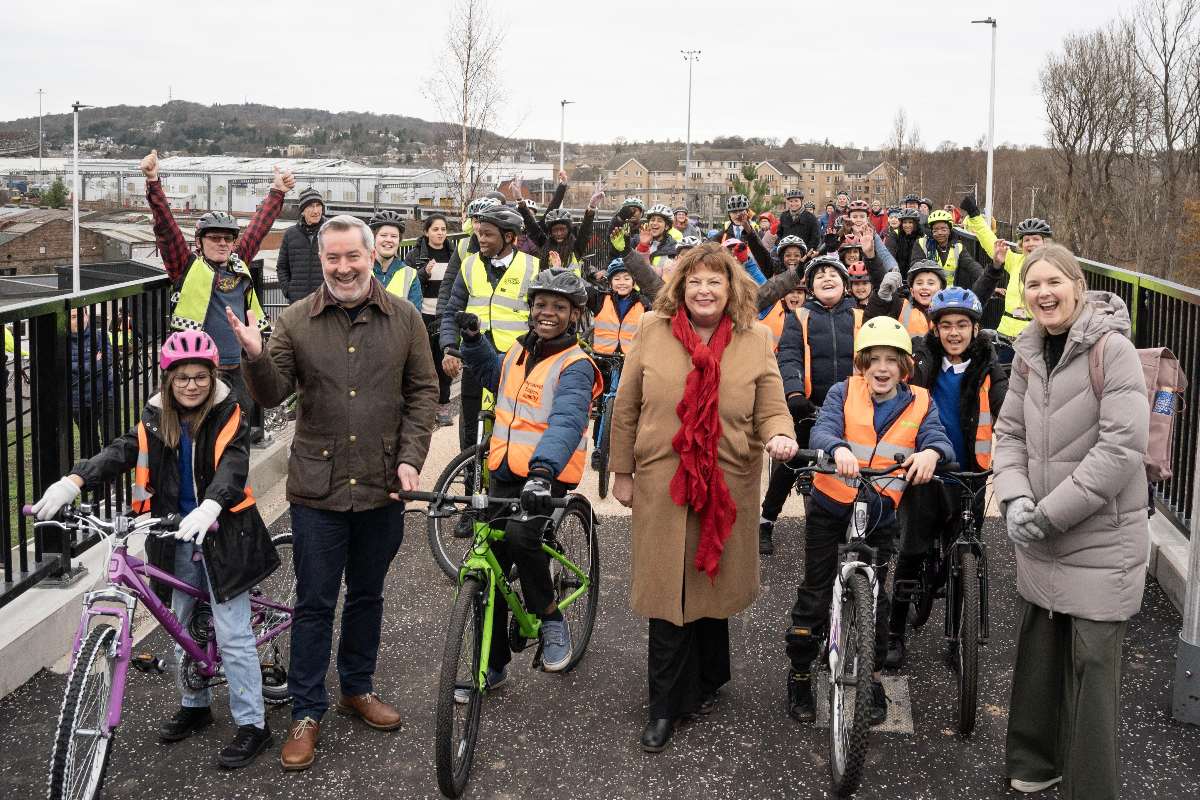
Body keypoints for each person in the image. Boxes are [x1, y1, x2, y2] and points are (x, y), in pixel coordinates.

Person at [230, 214, 438, 771]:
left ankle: (357, 687)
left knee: (368, 595)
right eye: (332, 258)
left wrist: (411, 459)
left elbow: (423, 393)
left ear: (373, 257)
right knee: (315, 602)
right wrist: (253, 354)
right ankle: (306, 711)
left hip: (382, 485)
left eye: (353, 257)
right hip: (318, 490)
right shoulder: (296, 320)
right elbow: (272, 394)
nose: (343, 268)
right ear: (320, 260)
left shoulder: (406, 319)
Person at [33, 330, 279, 769]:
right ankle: (195, 703)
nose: (191, 385)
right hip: (174, 534)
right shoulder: (154, 418)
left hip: (225, 534)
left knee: (233, 632)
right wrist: (75, 480)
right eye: (182, 378)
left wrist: (210, 504)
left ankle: (253, 725)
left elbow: (233, 465)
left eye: (200, 377)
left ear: (211, 378)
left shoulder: (229, 414)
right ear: (168, 380)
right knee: (180, 622)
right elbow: (121, 451)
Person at [608, 242, 797, 753]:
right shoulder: (653, 329)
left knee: (710, 581)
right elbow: (625, 407)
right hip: (662, 479)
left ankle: (710, 678)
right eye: (694, 281)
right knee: (668, 592)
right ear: (680, 288)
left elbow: (773, 406)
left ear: (732, 288)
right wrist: (621, 471)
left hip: (726, 480)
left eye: (715, 281)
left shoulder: (755, 338)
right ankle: (663, 706)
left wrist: (780, 434)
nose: (704, 290)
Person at [993, 243, 1148, 799]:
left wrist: (1047, 514)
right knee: (1040, 657)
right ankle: (1035, 763)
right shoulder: (1029, 350)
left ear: (1077, 286)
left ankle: (1091, 787)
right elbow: (1008, 433)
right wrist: (1013, 499)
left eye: (1054, 282)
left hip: (1100, 539)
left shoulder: (1114, 350)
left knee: (1093, 673)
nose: (1044, 294)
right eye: (1033, 285)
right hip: (1040, 532)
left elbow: (1121, 449)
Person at [787, 317, 953, 725]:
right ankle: (801, 673)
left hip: (880, 510)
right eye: (873, 360)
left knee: (875, 597)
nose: (882, 368)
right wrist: (837, 448)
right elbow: (822, 430)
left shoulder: (919, 400)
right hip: (832, 503)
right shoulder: (844, 391)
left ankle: (872, 676)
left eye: (891, 360)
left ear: (904, 367)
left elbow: (938, 438)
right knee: (816, 590)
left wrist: (932, 454)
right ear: (862, 363)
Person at [458, 269, 603, 684]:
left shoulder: (576, 365)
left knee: (522, 537)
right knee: (490, 565)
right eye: (541, 304)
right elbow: (493, 375)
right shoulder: (518, 353)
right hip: (504, 470)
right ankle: (494, 662)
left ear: (574, 315)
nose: (547, 313)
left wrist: (542, 473)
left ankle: (551, 619)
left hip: (546, 475)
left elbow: (567, 420)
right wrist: (473, 343)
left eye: (559, 307)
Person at [884, 288, 1007, 668]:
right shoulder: (922, 359)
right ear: (935, 330)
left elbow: (1008, 405)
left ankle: (956, 636)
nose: (954, 333)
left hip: (970, 472)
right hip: (925, 470)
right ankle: (894, 632)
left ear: (975, 329)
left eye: (963, 325)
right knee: (911, 550)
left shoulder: (989, 364)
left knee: (964, 555)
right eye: (946, 326)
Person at [141, 149, 292, 418]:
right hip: (199, 370)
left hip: (239, 369)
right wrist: (153, 181)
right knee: (197, 431)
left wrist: (277, 191)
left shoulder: (238, 264)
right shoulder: (187, 268)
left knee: (238, 431)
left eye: (228, 239)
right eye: (214, 238)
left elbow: (258, 229)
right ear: (199, 242)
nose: (222, 243)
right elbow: (166, 228)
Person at [762, 255, 864, 554]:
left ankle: (860, 522)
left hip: (852, 407)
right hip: (809, 406)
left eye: (833, 274)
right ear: (811, 288)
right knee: (790, 462)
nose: (826, 278)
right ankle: (767, 519)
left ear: (846, 285)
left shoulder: (860, 317)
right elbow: (789, 356)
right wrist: (794, 394)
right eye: (819, 276)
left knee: (858, 464)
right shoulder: (799, 317)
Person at [439, 206, 539, 463]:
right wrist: (449, 348)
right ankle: (468, 472)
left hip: (515, 360)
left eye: (488, 234)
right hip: (474, 357)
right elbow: (453, 310)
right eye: (479, 233)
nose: (481, 239)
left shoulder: (532, 267)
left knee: (515, 421)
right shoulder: (469, 265)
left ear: (508, 237)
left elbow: (539, 318)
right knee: (471, 422)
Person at [960, 194, 1054, 351]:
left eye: (1036, 239)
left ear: (1045, 243)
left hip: (1035, 339)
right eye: (1026, 240)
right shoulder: (1016, 261)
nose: (1031, 244)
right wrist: (974, 215)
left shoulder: (1054, 268)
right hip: (1005, 336)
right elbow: (989, 240)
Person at [405, 214, 456, 427]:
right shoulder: (415, 255)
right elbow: (405, 281)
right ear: (426, 232)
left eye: (443, 229)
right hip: (422, 315)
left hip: (445, 315)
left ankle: (443, 405)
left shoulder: (454, 255)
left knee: (443, 361)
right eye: (435, 229)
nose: (440, 233)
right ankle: (422, 407)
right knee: (422, 364)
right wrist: (423, 273)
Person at [69, 307, 118, 457]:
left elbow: (107, 360)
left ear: (87, 316)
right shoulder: (62, 342)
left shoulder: (100, 335)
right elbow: (65, 368)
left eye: (80, 315)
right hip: (79, 401)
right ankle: (95, 479)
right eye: (72, 317)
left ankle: (111, 479)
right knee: (89, 445)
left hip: (104, 394)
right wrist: (93, 362)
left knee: (111, 440)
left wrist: (80, 368)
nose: (78, 320)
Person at [522, 188, 603, 274]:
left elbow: (585, 231)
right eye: (555, 230)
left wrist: (592, 207)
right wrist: (521, 203)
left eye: (562, 229)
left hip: (572, 286)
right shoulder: (545, 243)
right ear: (550, 232)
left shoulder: (576, 247)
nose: (559, 233)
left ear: (568, 230)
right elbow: (532, 226)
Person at [911, 209, 983, 289]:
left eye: (943, 229)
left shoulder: (958, 247)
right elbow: (915, 266)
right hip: (928, 291)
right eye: (935, 230)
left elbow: (972, 266)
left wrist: (986, 280)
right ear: (931, 231)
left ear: (949, 230)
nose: (940, 233)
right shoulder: (922, 243)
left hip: (949, 294)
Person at [277, 187, 326, 303]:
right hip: (298, 303)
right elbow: (282, 267)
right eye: (310, 206)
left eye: (318, 205)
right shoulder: (290, 234)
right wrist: (288, 291)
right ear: (302, 211)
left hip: (325, 301)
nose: (316, 211)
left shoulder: (331, 231)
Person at [869, 260, 944, 336]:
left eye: (931, 283)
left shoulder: (948, 312)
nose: (924, 287)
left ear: (941, 290)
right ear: (912, 291)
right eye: (919, 283)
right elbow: (873, 325)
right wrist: (882, 298)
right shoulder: (900, 307)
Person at [367, 210, 423, 308]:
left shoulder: (410, 275)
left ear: (399, 241)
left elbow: (414, 316)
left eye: (394, 236)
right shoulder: (361, 270)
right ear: (374, 239)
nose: (388, 240)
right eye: (383, 235)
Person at [845, 199, 899, 276]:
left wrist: (893, 268)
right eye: (854, 217)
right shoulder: (843, 234)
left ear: (867, 219)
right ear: (849, 219)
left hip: (868, 273)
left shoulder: (872, 235)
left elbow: (884, 254)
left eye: (862, 217)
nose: (858, 220)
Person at [639, 204, 680, 272]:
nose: (654, 223)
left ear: (666, 226)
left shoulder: (674, 249)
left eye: (659, 221)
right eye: (652, 220)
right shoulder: (639, 241)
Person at [884, 209, 923, 279]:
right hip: (898, 274)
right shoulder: (895, 234)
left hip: (917, 274)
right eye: (904, 222)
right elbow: (889, 252)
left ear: (916, 223)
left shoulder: (921, 236)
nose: (907, 225)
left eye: (910, 222)